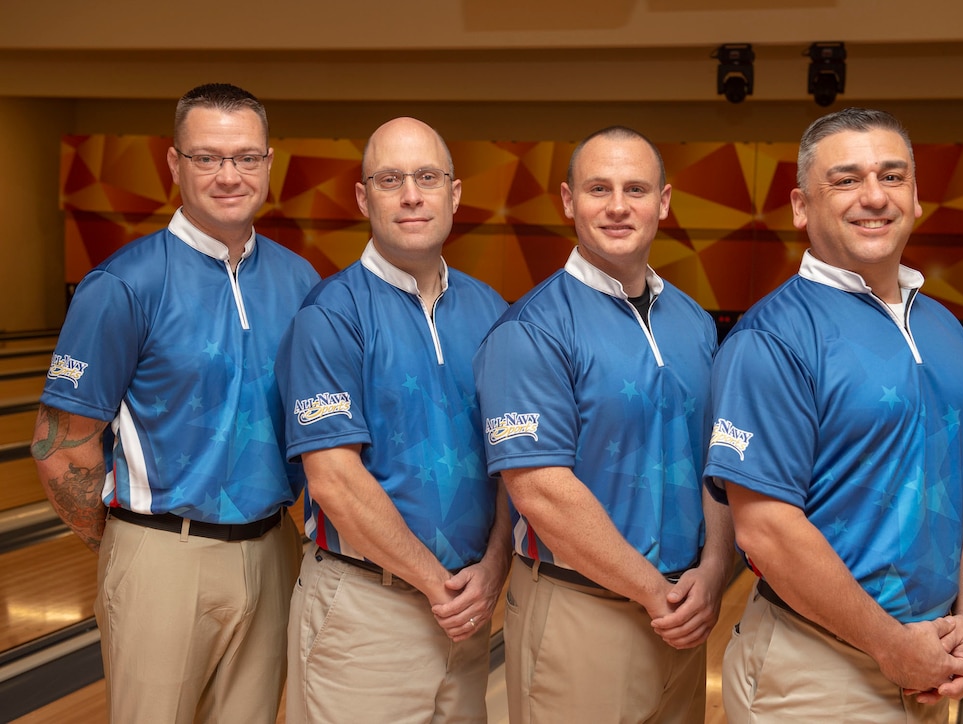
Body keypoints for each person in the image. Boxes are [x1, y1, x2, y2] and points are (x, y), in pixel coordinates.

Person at [31, 83, 320, 722]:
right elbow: (60, 445)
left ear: (269, 163)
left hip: (274, 548)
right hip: (163, 551)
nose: (227, 175)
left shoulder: (300, 281)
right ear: (174, 165)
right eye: (206, 158)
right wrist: (133, 548)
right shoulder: (123, 285)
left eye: (245, 157)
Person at [705, 107, 963, 723]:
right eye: (845, 179)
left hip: (927, 663)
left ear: (916, 198)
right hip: (814, 675)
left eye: (892, 176)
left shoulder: (944, 328)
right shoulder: (773, 339)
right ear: (801, 206)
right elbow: (765, 529)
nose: (874, 196)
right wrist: (894, 647)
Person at [473, 125, 734, 724]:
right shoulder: (531, 331)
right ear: (569, 202)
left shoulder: (693, 322)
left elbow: (718, 462)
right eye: (599, 189)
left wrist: (714, 572)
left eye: (636, 189)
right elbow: (540, 489)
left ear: (663, 203)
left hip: (684, 609)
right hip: (580, 611)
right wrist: (654, 592)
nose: (618, 206)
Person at [274, 116, 510, 723]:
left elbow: (515, 463)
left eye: (427, 177)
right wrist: (438, 584)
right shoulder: (331, 315)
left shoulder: (494, 313)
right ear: (363, 197)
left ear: (454, 194)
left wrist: (493, 568)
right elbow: (333, 481)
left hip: (468, 608)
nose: (411, 195)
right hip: (365, 613)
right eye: (390, 179)